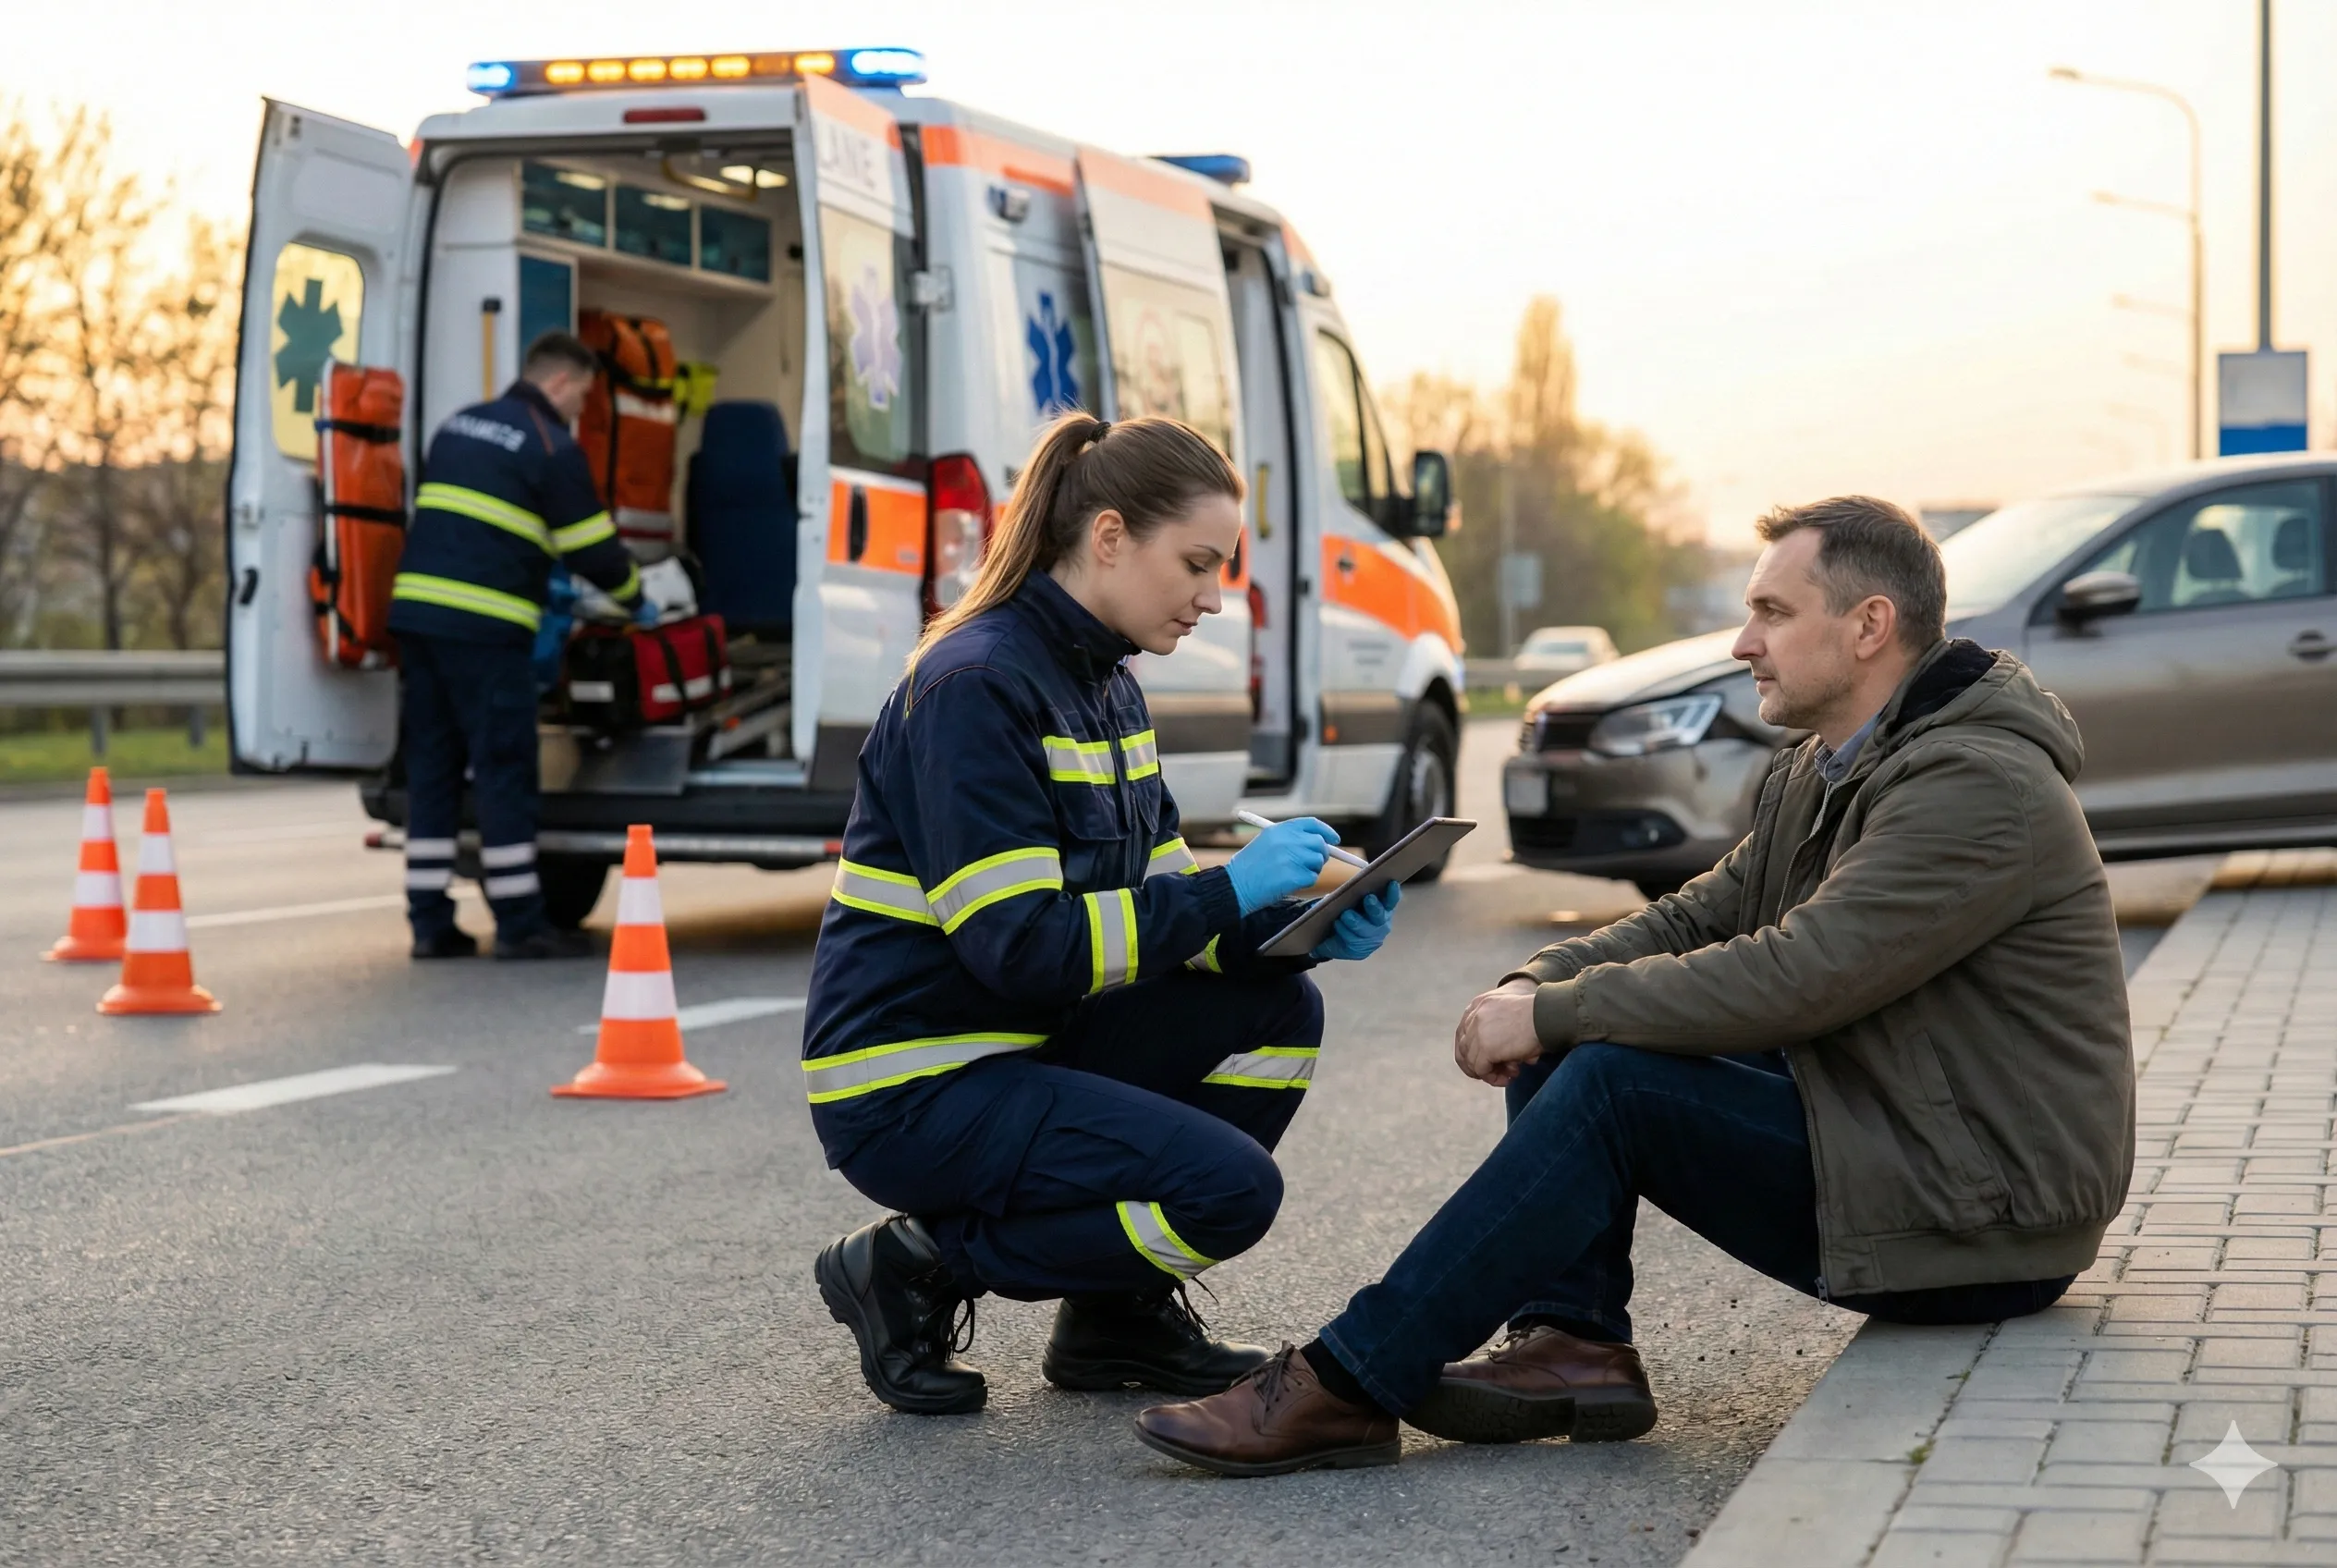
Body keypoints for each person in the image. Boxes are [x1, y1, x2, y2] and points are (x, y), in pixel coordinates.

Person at [1132, 495, 2135, 1476]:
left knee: (1613, 1078)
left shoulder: (1975, 788)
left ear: (1869, 625)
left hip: (1987, 1216)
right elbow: (1703, 911)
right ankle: (1575, 1346)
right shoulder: (1823, 768)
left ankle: (1346, 1383)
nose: (1743, 641)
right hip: (1899, 1139)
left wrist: (1555, 1009)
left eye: (1772, 614)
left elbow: (1799, 975)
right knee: (1576, 1030)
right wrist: (1538, 980)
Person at [804, 412, 1402, 1415]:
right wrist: (1231, 886)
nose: (1213, 597)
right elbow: (1022, 948)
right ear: (1111, 537)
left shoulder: (1108, 685)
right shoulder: (976, 684)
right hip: (914, 1080)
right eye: (1197, 563)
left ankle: (1112, 1318)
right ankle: (913, 1263)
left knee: (1280, 1010)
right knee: (1229, 1192)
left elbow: (1169, 919)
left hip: (1021, 1041)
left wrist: (1296, 926)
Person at [389, 331, 649, 961]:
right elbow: (592, 549)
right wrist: (639, 597)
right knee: (504, 768)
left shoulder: (458, 426)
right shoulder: (549, 445)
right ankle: (519, 921)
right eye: (582, 397)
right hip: (485, 631)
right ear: (559, 383)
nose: (580, 410)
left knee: (433, 768)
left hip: (419, 622)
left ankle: (429, 921)